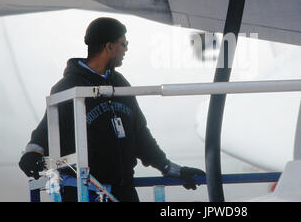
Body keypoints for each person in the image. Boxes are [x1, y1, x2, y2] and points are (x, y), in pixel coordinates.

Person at [18, 17, 205, 201]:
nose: (126, 49)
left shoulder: (120, 83)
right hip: (87, 190)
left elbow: (139, 134)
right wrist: (33, 152)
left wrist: (170, 169)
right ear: (109, 47)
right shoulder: (69, 87)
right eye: (124, 44)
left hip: (122, 190)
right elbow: (47, 130)